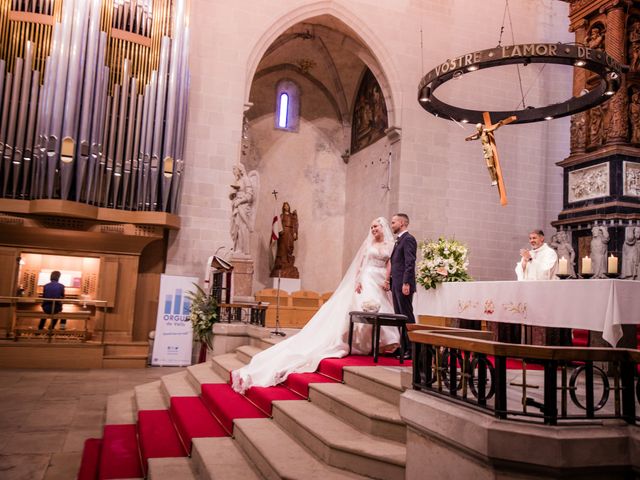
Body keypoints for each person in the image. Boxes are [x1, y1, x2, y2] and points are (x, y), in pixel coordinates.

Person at [231, 217, 400, 393]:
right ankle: (361, 342)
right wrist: (358, 280)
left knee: (382, 309)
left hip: (380, 279)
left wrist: (387, 279)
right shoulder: (368, 244)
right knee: (361, 308)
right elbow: (360, 264)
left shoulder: (390, 244)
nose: (373, 229)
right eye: (371, 227)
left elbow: (389, 263)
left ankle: (379, 344)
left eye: (375, 226)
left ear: (383, 227)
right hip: (366, 278)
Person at [387, 213, 417, 357]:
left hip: (403, 284)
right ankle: (404, 347)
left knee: (406, 316)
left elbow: (410, 263)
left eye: (393, 222)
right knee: (399, 317)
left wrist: (406, 282)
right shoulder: (399, 240)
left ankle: (412, 349)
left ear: (402, 223)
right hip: (396, 284)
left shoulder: (408, 239)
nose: (391, 225)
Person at [229, 164, 258, 255]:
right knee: (235, 228)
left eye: (234, 169)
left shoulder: (246, 179)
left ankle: (242, 250)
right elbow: (232, 195)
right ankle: (237, 248)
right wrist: (233, 194)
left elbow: (250, 195)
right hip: (236, 205)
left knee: (242, 227)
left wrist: (240, 201)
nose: (233, 171)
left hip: (243, 207)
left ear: (239, 169)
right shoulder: (238, 180)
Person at [270, 202, 299, 278]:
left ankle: (289, 262)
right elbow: (278, 225)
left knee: (290, 247)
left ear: (289, 207)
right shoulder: (281, 216)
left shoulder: (292, 216)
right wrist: (280, 230)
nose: (286, 207)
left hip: (290, 231)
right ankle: (282, 262)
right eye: (285, 206)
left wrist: (295, 232)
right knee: (283, 248)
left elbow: (295, 225)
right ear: (283, 207)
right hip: (284, 232)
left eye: (287, 205)